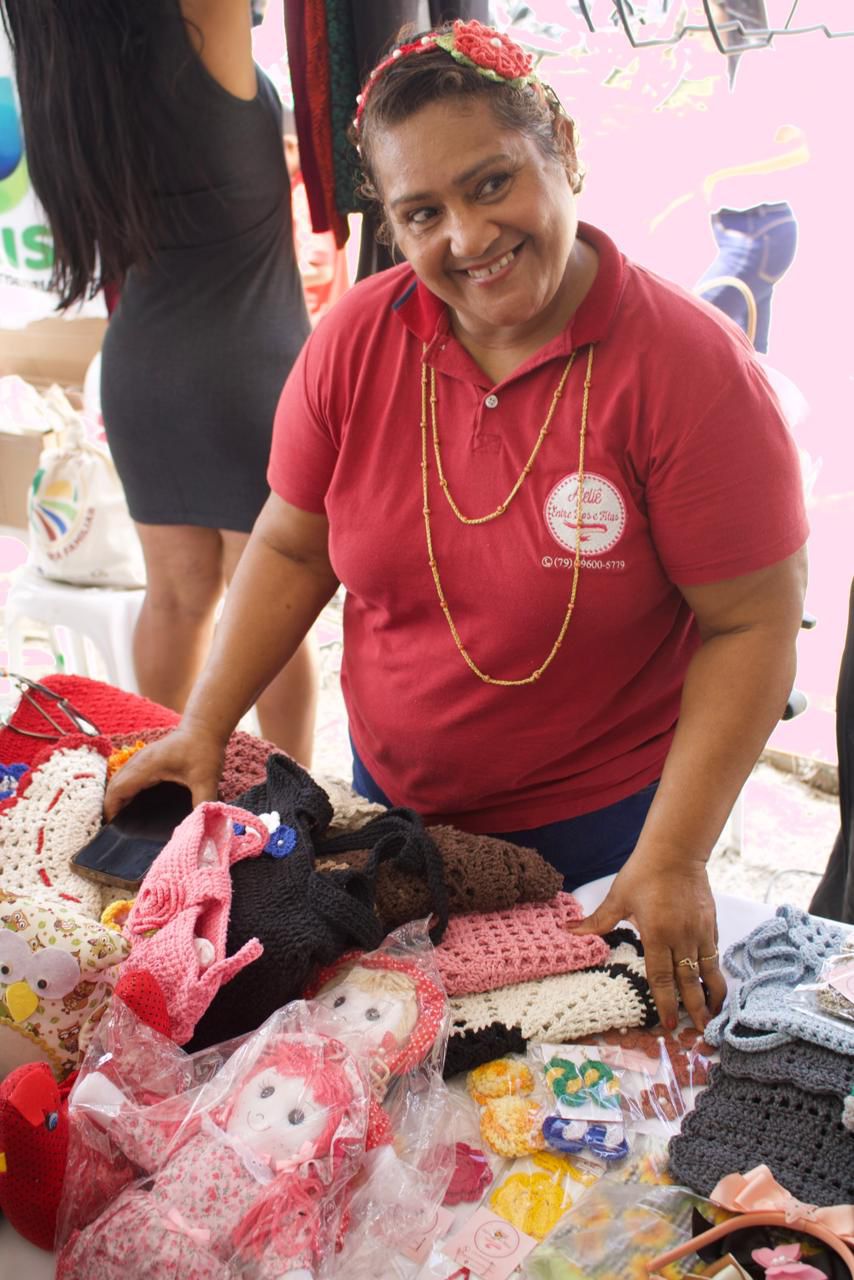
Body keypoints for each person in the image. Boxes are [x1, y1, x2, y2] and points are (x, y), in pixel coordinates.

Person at [106, 20, 809, 1034]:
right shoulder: (355, 337)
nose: (467, 238)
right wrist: (204, 725)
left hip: (602, 839)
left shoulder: (685, 369)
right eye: (421, 211)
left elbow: (751, 620)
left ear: (558, 149)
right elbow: (293, 545)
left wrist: (674, 854)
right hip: (390, 811)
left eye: (491, 183)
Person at [1, 0, 317, 765]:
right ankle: (300, 804)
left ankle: (160, 793)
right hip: (251, 366)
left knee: (173, 596)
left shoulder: (61, 50)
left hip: (141, 368)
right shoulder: (200, 17)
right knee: (267, 603)